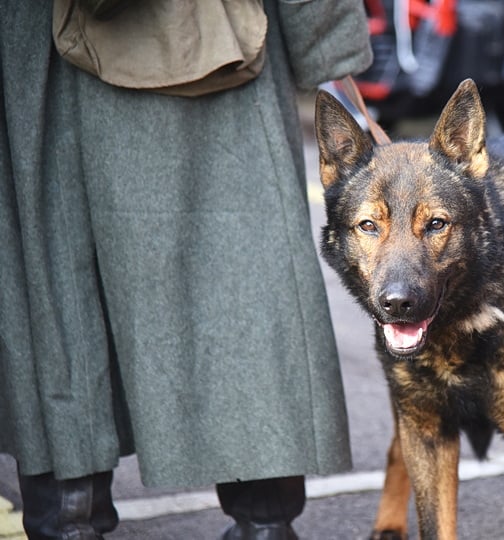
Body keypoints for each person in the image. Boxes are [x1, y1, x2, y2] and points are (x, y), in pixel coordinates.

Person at [0, 1, 372, 538]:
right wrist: (332, 55)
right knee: (241, 274)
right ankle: (264, 523)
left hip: (37, 54)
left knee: (56, 297)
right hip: (207, 42)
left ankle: (70, 520)